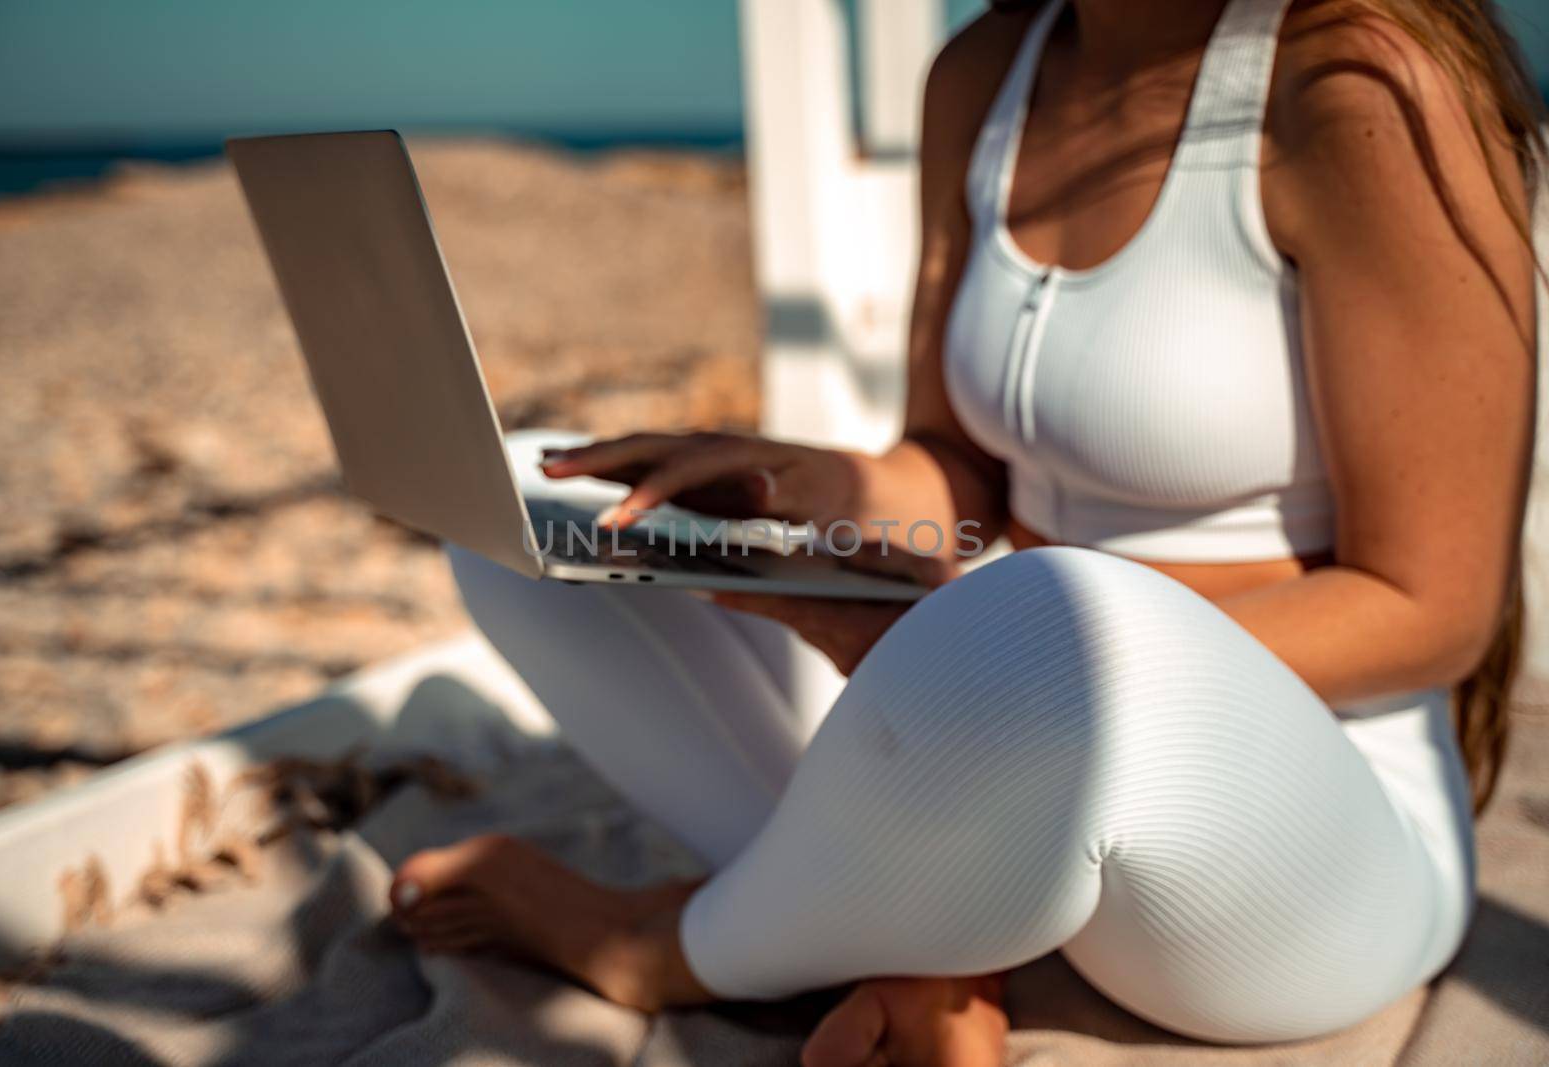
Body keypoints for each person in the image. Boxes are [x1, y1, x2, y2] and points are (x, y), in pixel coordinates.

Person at [388, 0, 1543, 1062]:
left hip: (1300, 830)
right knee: (533, 511)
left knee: (1061, 616)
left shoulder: (1358, 84)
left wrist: (992, 653)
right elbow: (955, 471)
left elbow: (1429, 609)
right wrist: (792, 482)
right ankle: (938, 935)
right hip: (1012, 691)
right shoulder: (986, 72)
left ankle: (670, 947)